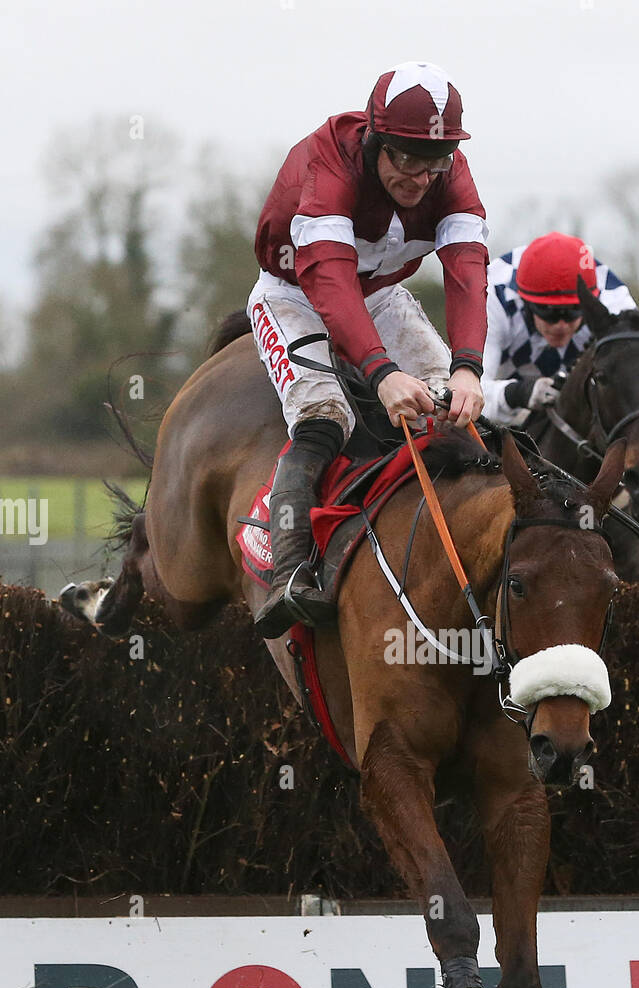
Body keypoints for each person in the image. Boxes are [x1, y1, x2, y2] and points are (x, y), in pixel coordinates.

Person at [247, 60, 489, 636]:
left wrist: (469, 369)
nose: (419, 175)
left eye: (432, 161)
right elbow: (328, 276)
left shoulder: (451, 176)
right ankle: (289, 571)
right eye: (404, 157)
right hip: (294, 293)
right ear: (374, 141)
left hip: (379, 293)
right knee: (325, 415)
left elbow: (467, 271)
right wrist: (380, 373)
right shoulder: (328, 161)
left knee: (454, 415)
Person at [482, 232, 636, 428]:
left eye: (573, 311)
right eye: (549, 312)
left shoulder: (615, 305)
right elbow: (467, 391)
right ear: (526, 302)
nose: (561, 325)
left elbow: (636, 391)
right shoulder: (491, 296)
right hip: (498, 418)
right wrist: (520, 393)